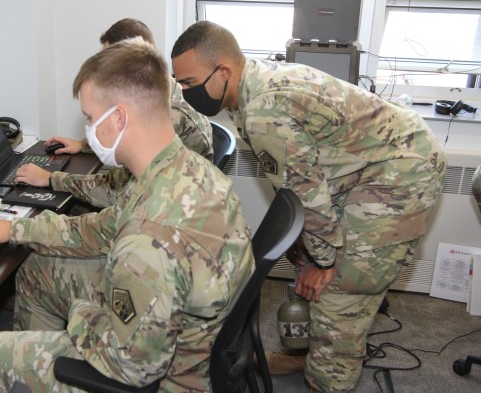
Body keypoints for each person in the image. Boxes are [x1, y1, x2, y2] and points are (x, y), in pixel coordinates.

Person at [0, 39, 254, 392]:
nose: (87, 129)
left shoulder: (148, 235)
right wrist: (15, 228)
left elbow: (134, 369)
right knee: (38, 270)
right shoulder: (185, 168)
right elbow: (105, 227)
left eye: (90, 118)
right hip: (189, 332)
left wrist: (81, 312)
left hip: (164, 376)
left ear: (118, 118)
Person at [170, 20, 446, 392]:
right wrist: (308, 255)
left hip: (402, 169)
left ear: (223, 71)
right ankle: (307, 354)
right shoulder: (244, 92)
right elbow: (300, 181)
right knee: (307, 262)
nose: (186, 93)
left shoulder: (264, 107)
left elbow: (305, 194)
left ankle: (329, 379)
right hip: (361, 167)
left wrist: (325, 262)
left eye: (189, 83)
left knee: (342, 289)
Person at [16, 18, 213, 208]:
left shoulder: (172, 119)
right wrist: (85, 145)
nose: (104, 71)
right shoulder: (164, 100)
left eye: (111, 61)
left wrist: (51, 179)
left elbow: (117, 194)